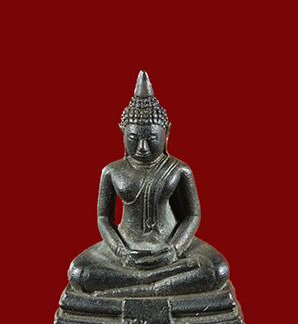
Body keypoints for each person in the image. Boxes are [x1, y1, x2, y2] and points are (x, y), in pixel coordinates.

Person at [68, 71, 229, 296]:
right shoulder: (112, 171)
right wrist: (120, 251)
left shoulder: (179, 169)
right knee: (79, 272)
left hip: (169, 247)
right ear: (122, 132)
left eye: (152, 138)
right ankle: (151, 284)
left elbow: (192, 215)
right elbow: (103, 218)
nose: (142, 147)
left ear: (167, 132)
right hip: (125, 250)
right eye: (133, 139)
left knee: (217, 270)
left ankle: (136, 286)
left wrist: (175, 250)